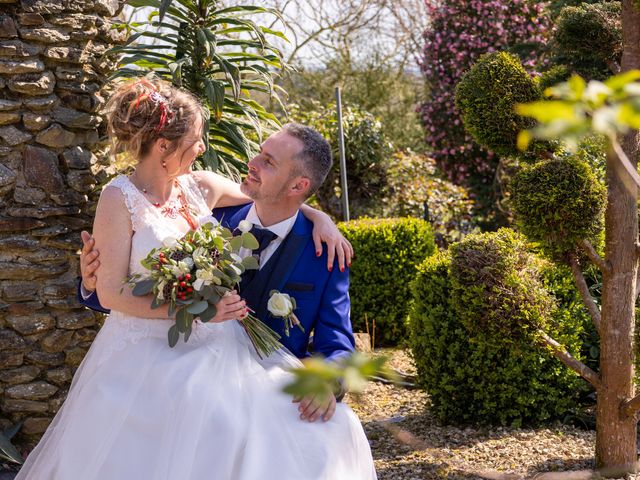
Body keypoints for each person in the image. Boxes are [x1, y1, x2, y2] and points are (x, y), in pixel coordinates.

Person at [16, 78, 376, 480]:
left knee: (325, 432)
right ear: (165, 146)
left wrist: (318, 216)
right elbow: (110, 291)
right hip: (158, 353)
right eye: (197, 138)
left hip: (234, 355)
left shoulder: (203, 191)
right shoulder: (138, 200)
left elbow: (337, 338)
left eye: (268, 160)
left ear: (299, 186)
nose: (206, 148)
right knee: (213, 421)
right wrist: (99, 284)